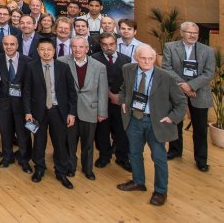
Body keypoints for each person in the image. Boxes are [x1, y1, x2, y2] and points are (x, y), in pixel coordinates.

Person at [117, 44, 187, 206]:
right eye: (143, 58)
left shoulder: (166, 77)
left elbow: (181, 101)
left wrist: (172, 118)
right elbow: (124, 88)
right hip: (134, 119)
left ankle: (161, 191)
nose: (147, 61)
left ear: (155, 58)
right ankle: (138, 182)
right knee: (134, 153)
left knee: (158, 157)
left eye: (150, 58)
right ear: (136, 58)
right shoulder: (128, 69)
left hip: (156, 122)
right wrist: (123, 101)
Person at [23, 38, 77, 189]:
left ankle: (61, 171)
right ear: (38, 51)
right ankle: (39, 168)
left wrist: (72, 113)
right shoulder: (31, 67)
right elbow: (26, 92)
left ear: (54, 51)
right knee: (39, 142)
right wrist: (27, 112)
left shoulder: (63, 67)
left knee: (60, 142)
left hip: (58, 110)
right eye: (42, 49)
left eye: (49, 49)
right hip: (38, 112)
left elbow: (72, 93)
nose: (46, 52)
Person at [162, 21, 214, 172]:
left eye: (195, 33)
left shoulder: (208, 50)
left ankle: (201, 160)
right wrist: (183, 86)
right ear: (182, 33)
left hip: (199, 92)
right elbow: (166, 68)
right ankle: (175, 150)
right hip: (177, 92)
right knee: (175, 123)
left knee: (200, 129)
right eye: (189, 32)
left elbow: (209, 73)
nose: (193, 35)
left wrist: (191, 86)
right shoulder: (170, 47)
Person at [60, 35, 107, 180]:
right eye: (74, 46)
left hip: (90, 109)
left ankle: (88, 169)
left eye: (81, 47)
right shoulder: (61, 62)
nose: (77, 49)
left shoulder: (99, 66)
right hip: (70, 111)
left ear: (87, 49)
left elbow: (102, 91)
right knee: (70, 142)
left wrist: (102, 112)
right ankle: (71, 167)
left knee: (88, 143)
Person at [93, 31, 131, 171]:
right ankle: (104, 156)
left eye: (111, 44)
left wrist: (120, 97)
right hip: (102, 101)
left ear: (116, 44)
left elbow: (129, 82)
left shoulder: (126, 59)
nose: (108, 47)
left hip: (120, 102)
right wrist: (110, 95)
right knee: (102, 131)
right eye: (105, 45)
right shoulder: (94, 59)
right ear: (100, 45)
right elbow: (93, 81)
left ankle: (122, 158)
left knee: (121, 131)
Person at [0, 34, 31, 172]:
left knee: (23, 133)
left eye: (12, 44)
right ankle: (7, 156)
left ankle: (24, 159)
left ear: (17, 45)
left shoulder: (27, 61)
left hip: (22, 104)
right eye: (6, 44)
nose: (9, 47)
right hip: (3, 102)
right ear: (2, 45)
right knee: (5, 131)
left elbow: (29, 85)